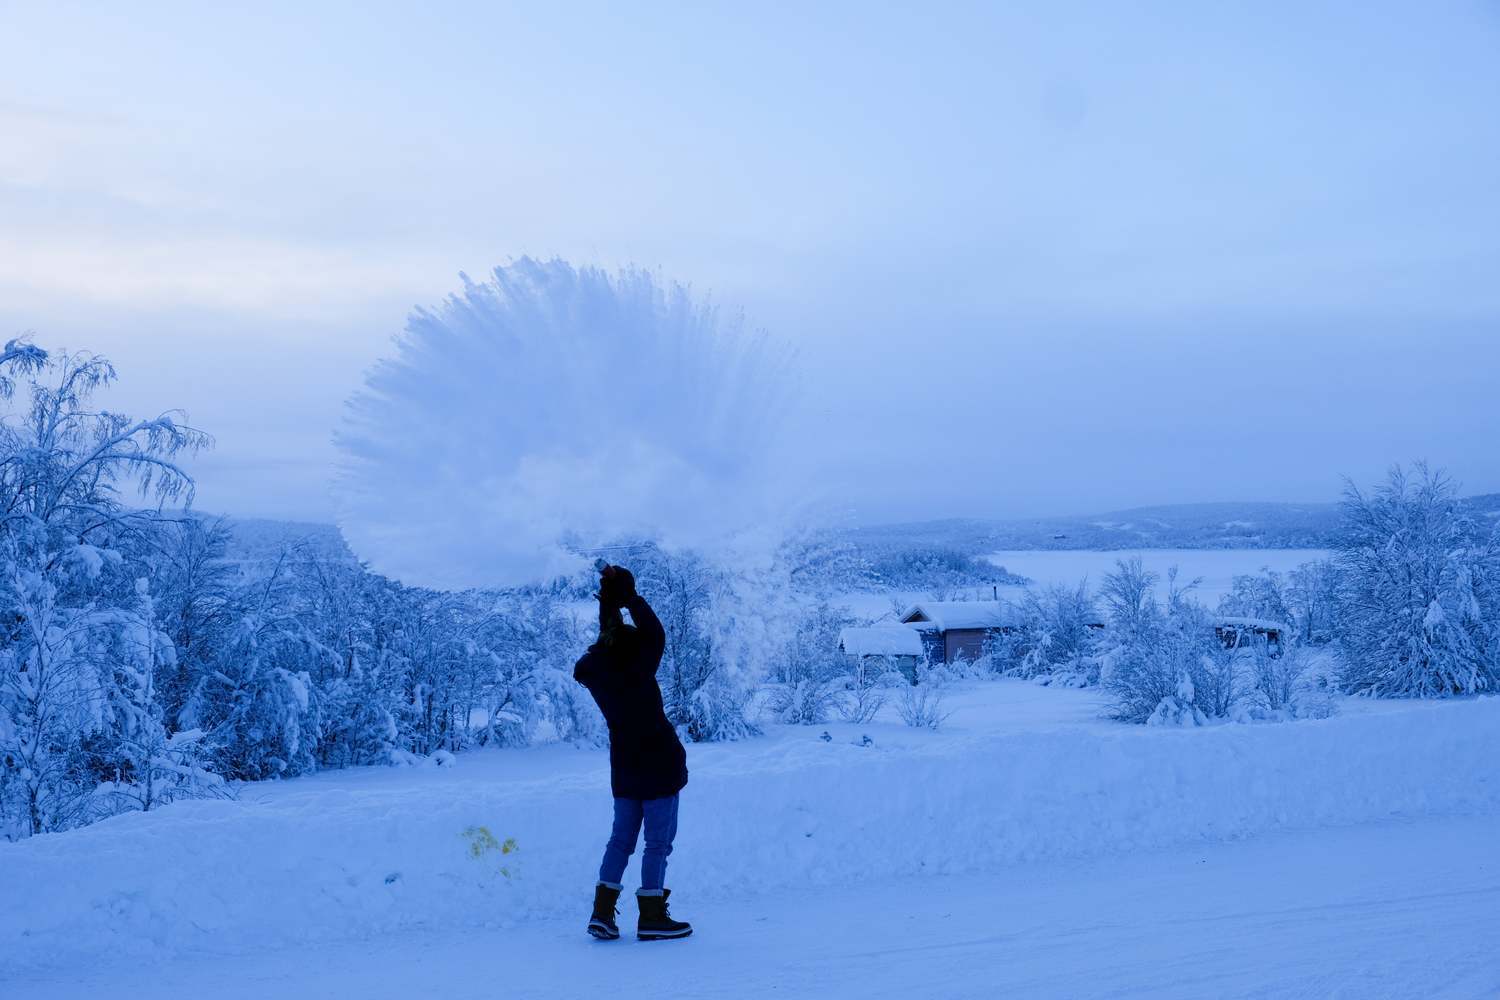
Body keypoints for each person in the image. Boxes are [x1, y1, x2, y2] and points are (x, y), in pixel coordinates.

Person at [573, 564, 692, 941]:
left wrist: (610, 599)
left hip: (624, 767)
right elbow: (655, 633)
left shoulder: (601, 672)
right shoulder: (638, 669)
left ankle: (602, 914)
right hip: (658, 765)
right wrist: (630, 597)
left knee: (620, 841)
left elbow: (611, 634)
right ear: (633, 649)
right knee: (657, 844)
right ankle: (653, 917)